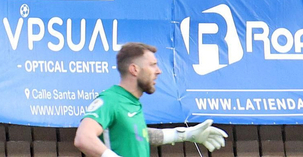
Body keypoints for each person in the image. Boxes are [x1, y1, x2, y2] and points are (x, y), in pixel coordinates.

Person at [73, 43, 228, 157]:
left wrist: (185, 134)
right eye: (153, 65)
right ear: (134, 69)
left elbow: (139, 134)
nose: (158, 71)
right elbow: (83, 138)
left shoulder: (132, 103)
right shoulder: (111, 100)